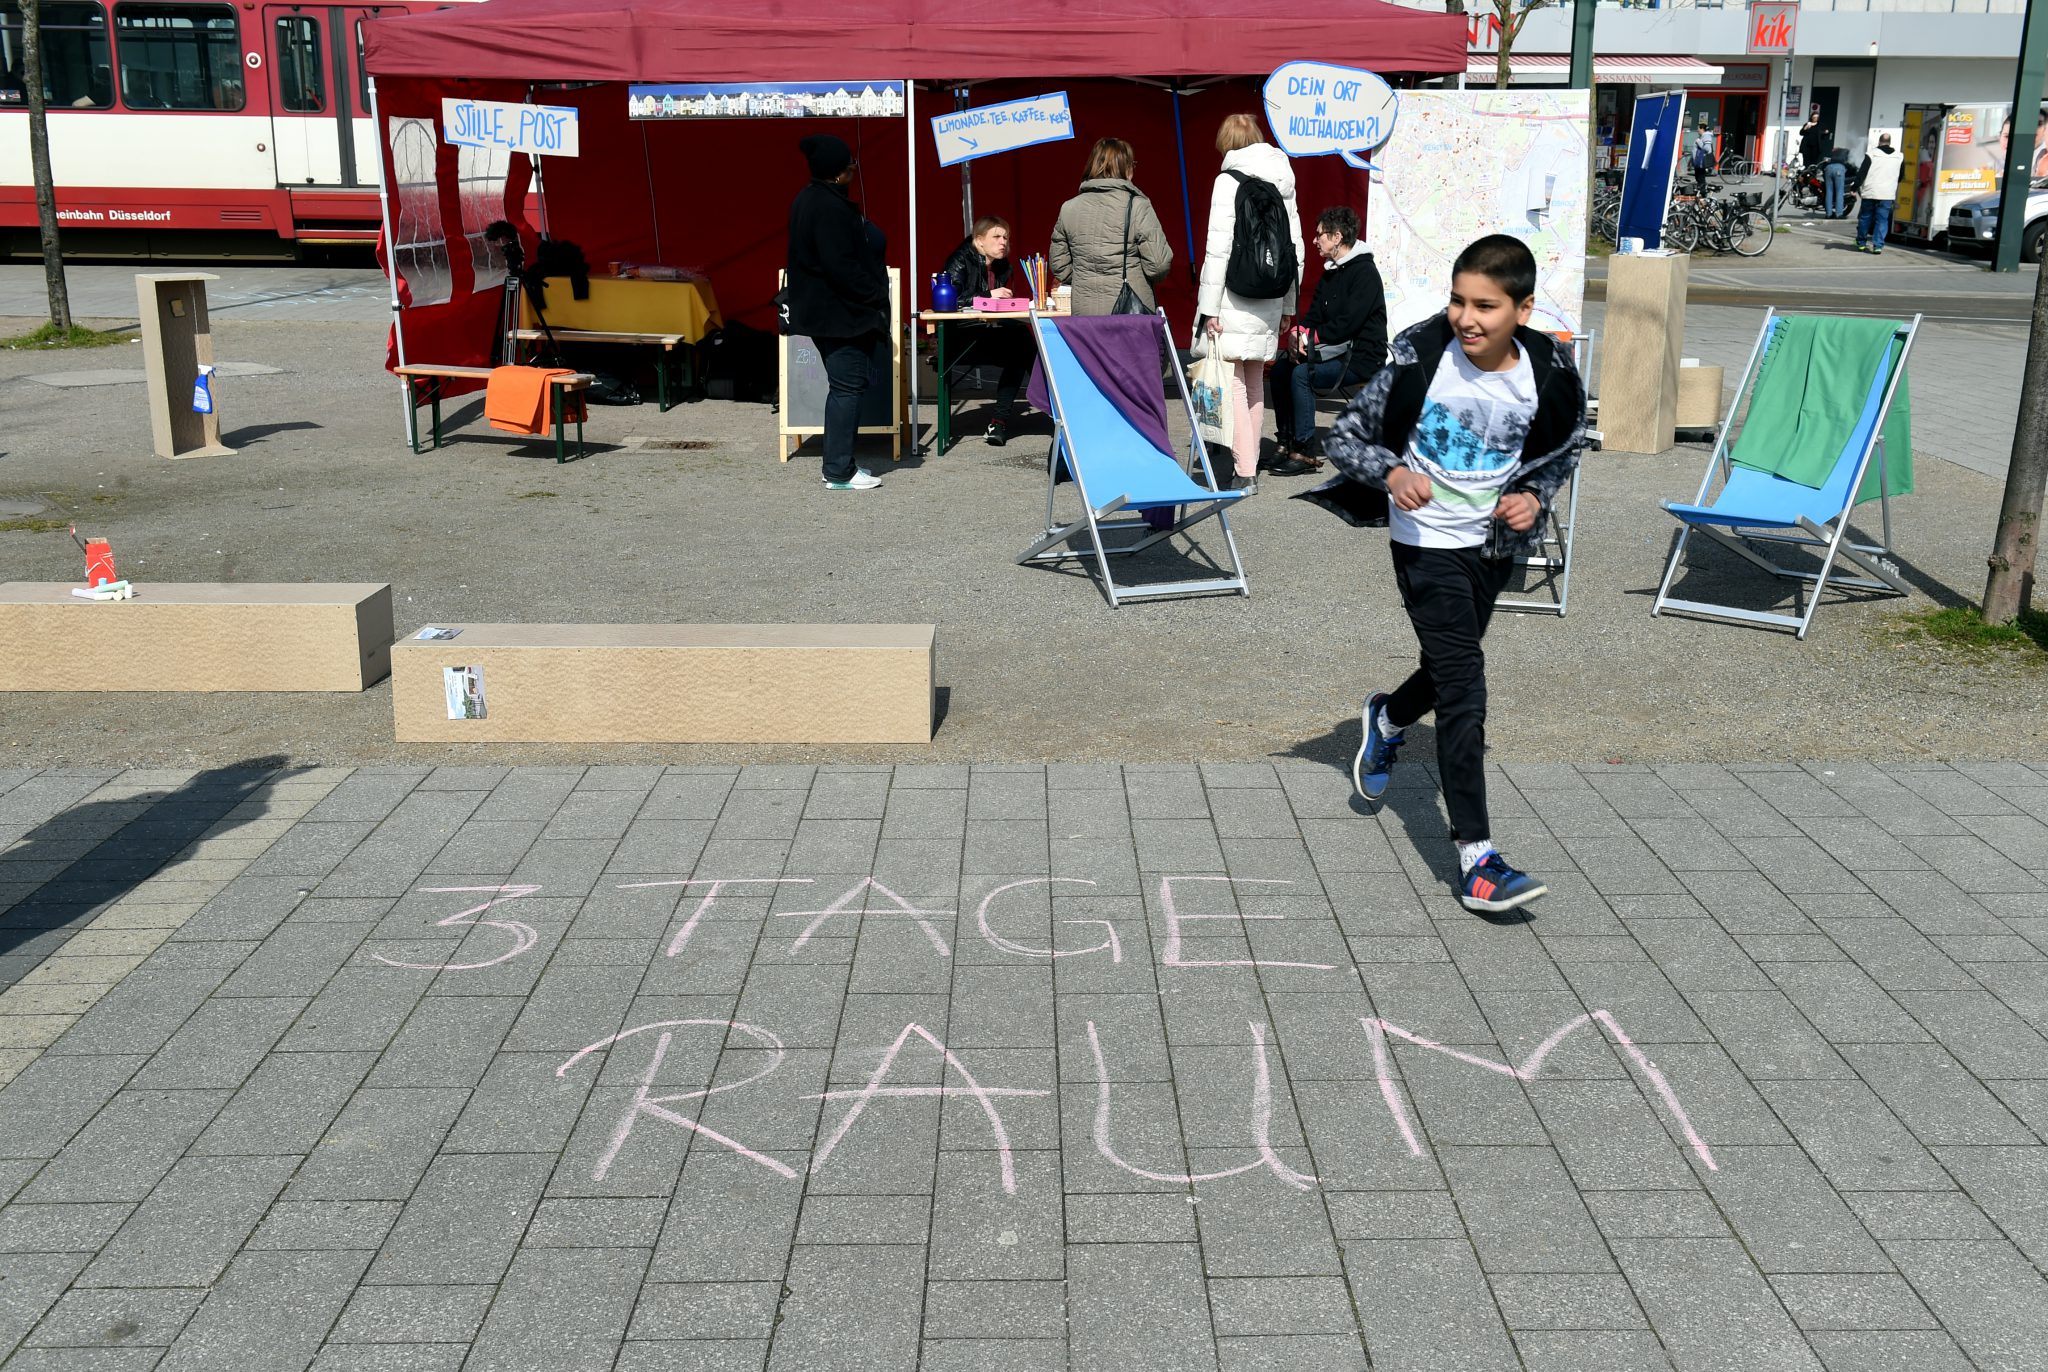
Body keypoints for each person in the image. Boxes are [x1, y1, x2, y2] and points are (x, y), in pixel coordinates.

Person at [1327, 235, 1587, 916]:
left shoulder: (1548, 369)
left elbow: (1566, 446)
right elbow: (1343, 436)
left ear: (1522, 310)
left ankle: (1387, 718)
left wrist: (1535, 496)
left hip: (1493, 546)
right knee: (1465, 689)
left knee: (1450, 667)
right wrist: (1392, 472)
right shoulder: (1421, 359)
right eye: (1457, 301)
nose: (1467, 318)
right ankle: (1477, 861)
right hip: (1424, 543)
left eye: (1485, 306)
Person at [1196, 113, 1303, 493]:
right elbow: (1295, 248)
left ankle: (1243, 470)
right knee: (1256, 382)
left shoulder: (1227, 181)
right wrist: (1289, 304)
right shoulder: (1283, 178)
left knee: (1235, 385)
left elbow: (1218, 248)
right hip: (1271, 294)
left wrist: (1209, 308)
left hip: (1233, 295)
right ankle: (1250, 463)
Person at [784, 133, 890, 490]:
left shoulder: (808, 199)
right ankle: (839, 470)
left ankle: (838, 465)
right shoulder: (828, 207)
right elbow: (841, 266)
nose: (854, 171)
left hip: (826, 313)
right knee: (847, 389)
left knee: (843, 387)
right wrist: (875, 295)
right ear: (838, 172)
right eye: (851, 166)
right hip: (841, 316)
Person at [1268, 205, 1386, 477]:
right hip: (1334, 350)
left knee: (1302, 375)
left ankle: (1304, 451)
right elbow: (1315, 315)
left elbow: (1349, 323)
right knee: (1281, 370)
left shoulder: (1365, 273)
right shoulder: (1332, 271)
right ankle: (1285, 443)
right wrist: (1299, 331)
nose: (1314, 240)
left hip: (1361, 357)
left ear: (1337, 237)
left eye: (1319, 234)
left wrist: (1311, 337)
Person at [938, 215, 1035, 446]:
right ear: (979, 240)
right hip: (961, 336)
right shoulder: (960, 260)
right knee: (1023, 345)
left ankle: (999, 422)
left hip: (989, 332)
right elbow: (950, 301)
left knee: (1023, 346)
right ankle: (1057, 407)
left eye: (1006, 238)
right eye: (997, 237)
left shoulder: (1002, 266)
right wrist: (989, 295)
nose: (1003, 242)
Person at [1049, 137, 1174, 317]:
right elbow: (1159, 264)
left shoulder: (1068, 208)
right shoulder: (1137, 205)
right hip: (1130, 308)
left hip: (1084, 310)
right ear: (1126, 167)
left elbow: (1059, 264)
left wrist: (1084, 279)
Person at [1856, 132, 1905, 253]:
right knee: (1882, 220)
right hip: (1887, 194)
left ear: (1879, 142)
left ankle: (1861, 243)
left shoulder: (1871, 154)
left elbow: (1862, 173)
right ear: (1890, 142)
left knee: (1865, 217)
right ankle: (1877, 246)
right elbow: (1901, 175)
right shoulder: (1899, 156)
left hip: (1870, 192)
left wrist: (1854, 187)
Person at [1823, 144, 1851, 219]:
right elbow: (1849, 165)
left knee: (1829, 191)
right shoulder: (1846, 152)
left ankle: (1828, 214)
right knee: (1839, 191)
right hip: (1839, 168)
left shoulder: (1831, 152)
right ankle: (1839, 214)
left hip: (1828, 168)